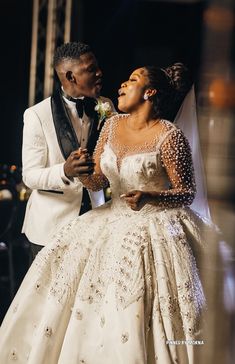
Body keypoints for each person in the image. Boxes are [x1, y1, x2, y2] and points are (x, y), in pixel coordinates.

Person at [0, 63, 211, 363]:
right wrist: (82, 169)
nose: (122, 84)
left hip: (154, 229)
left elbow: (187, 192)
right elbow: (97, 180)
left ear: (149, 92)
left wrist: (150, 196)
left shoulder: (169, 135)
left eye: (132, 80)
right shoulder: (111, 126)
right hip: (108, 221)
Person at [21, 42, 116, 259]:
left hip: (97, 222)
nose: (100, 73)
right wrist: (64, 170)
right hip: (50, 230)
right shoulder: (36, 115)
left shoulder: (107, 106)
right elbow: (30, 176)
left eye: (97, 66)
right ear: (71, 77)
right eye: (91, 69)